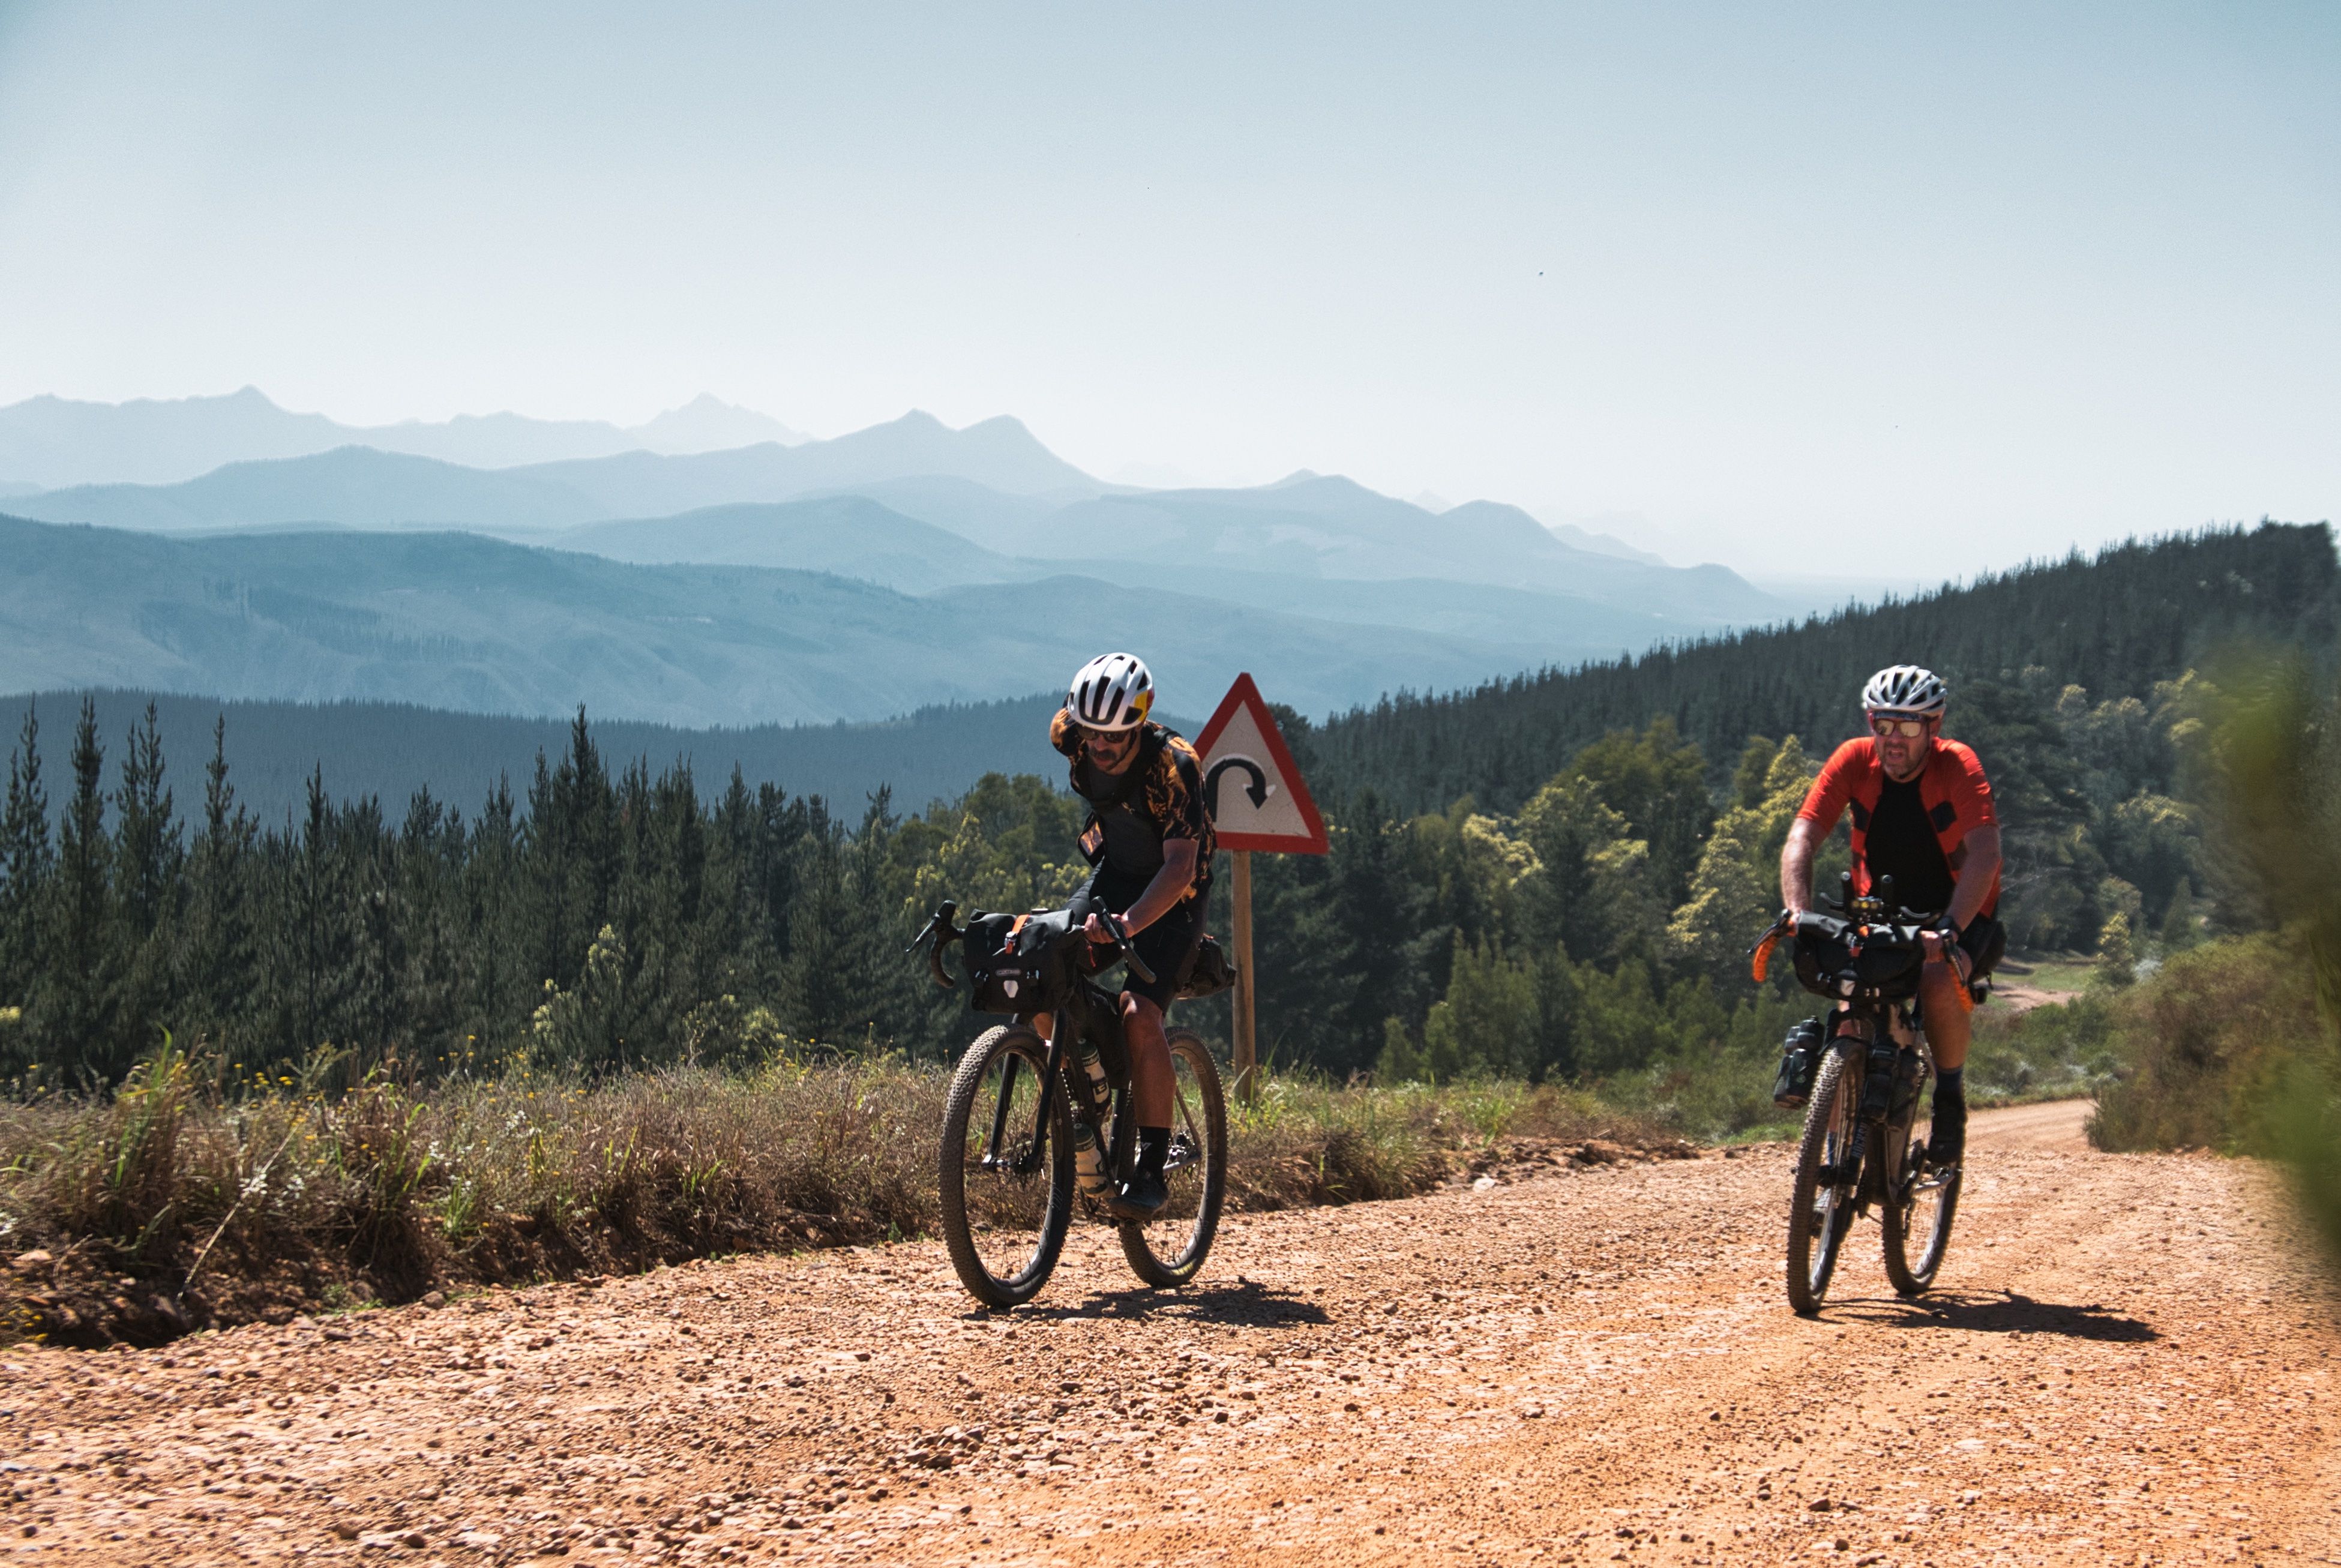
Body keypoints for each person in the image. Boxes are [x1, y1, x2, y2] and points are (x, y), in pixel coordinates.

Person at [1779, 665, 2004, 1168]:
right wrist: (1797, 911)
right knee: (1847, 1005)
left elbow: (1985, 855)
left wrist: (1949, 928)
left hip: (1959, 909)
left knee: (1936, 977)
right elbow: (1802, 837)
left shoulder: (1956, 764)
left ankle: (1949, 1099)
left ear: (1933, 727)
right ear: (1870, 723)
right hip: (1878, 912)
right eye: (1884, 725)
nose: (1893, 739)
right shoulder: (1853, 760)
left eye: (1907, 727)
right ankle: (1832, 1152)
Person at [1048, 652, 1216, 1216]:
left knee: (1139, 1012)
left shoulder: (1175, 765)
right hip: (1116, 870)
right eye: (1090, 732)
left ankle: (1151, 1164)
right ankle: (1090, 1076)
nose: (1098, 745)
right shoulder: (1068, 733)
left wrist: (1126, 925)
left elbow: (1179, 867)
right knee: (1041, 969)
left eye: (1113, 736)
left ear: (1139, 724)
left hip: (1176, 892)